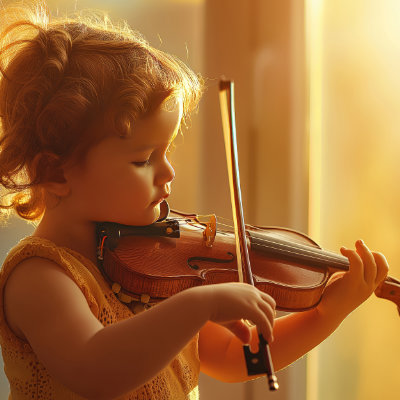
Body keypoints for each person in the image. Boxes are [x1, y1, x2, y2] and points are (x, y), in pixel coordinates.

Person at [0, 2, 389, 400]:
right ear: (56, 173)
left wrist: (327, 314)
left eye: (166, 152)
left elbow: (234, 357)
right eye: (142, 159)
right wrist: (198, 306)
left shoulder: (150, 270)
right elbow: (96, 368)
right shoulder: (40, 278)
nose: (168, 173)